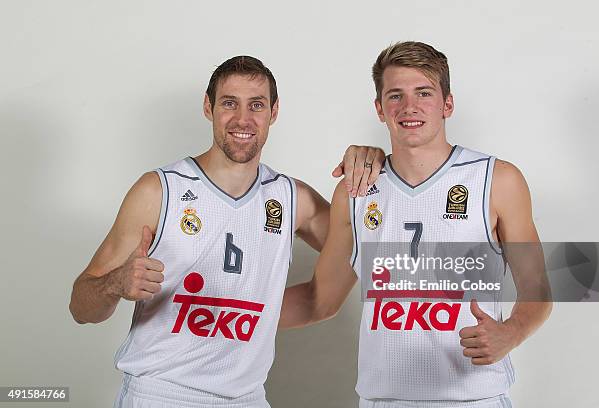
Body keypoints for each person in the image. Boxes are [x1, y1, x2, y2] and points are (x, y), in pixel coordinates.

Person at [69, 55, 385, 408]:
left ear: (274, 112)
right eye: (229, 103)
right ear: (208, 107)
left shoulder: (293, 198)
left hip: (247, 398)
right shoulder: (157, 191)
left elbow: (374, 253)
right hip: (162, 395)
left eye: (256, 105)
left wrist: (373, 165)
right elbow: (81, 307)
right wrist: (116, 283)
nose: (242, 119)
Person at [280, 42, 552, 408]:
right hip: (384, 400)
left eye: (424, 93)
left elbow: (538, 290)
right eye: (396, 96)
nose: (409, 107)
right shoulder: (356, 191)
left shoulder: (498, 181)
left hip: (473, 399)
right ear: (380, 109)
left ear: (447, 105)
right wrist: (215, 311)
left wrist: (511, 333)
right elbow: (320, 299)